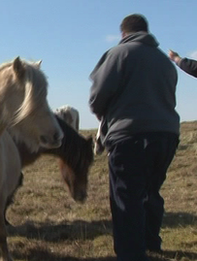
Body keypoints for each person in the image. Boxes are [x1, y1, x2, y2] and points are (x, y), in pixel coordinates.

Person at [89, 14, 180, 261]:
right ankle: (151, 242)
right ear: (146, 32)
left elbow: (98, 96)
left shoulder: (118, 55)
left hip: (129, 137)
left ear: (123, 33)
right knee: (151, 190)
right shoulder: (165, 62)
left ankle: (131, 254)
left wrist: (104, 117)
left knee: (126, 196)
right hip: (166, 136)